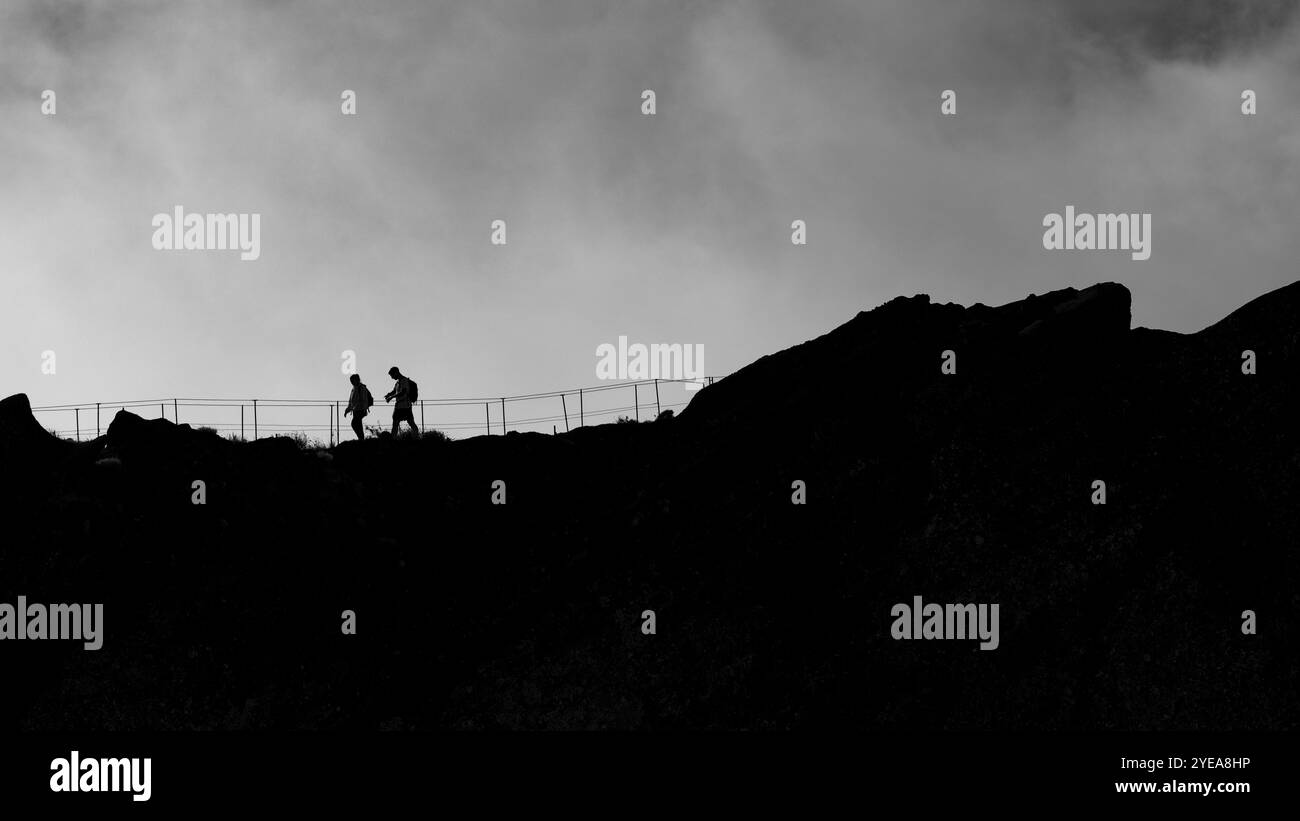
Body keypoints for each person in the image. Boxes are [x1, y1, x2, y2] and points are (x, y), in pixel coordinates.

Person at [384, 366, 420, 436]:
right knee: (407, 422)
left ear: (396, 372)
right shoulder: (398, 382)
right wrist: (389, 394)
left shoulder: (404, 380)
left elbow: (403, 392)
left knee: (400, 423)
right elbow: (395, 391)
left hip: (404, 406)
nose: (392, 378)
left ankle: (416, 436)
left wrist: (391, 397)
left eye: (392, 375)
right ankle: (416, 436)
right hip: (401, 406)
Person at [343, 373, 372, 440]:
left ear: (357, 380)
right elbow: (351, 402)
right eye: (351, 381)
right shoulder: (353, 389)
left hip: (361, 409)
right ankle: (361, 439)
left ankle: (361, 438)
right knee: (358, 425)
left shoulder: (361, 388)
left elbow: (364, 399)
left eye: (353, 380)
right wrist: (347, 410)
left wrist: (364, 409)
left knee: (354, 423)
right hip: (356, 410)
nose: (352, 382)